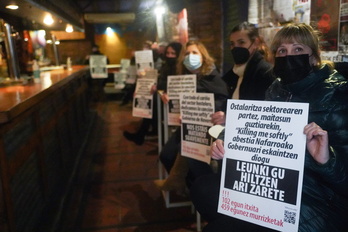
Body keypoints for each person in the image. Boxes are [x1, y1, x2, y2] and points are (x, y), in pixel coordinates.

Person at [191, 23, 348, 232]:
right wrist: (227, 141)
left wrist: (326, 160)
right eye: (282, 51)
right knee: (203, 188)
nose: (288, 56)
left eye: (298, 49)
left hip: (318, 199)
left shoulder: (338, 96)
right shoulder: (276, 88)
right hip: (271, 188)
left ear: (314, 56)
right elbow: (258, 129)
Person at [155, 40, 229, 191]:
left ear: (203, 56)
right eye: (187, 53)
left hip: (207, 128)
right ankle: (184, 187)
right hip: (186, 126)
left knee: (187, 153)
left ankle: (194, 190)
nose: (190, 56)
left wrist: (200, 111)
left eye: (195, 53)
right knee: (166, 155)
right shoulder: (183, 78)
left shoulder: (212, 77)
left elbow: (223, 101)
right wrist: (167, 96)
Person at [211, 22, 274, 126]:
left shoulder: (265, 73)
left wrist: (229, 117)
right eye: (232, 44)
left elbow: (266, 114)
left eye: (241, 42)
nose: (236, 48)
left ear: (255, 43)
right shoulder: (234, 74)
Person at [123, 42, 183, 145]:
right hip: (163, 96)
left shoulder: (180, 67)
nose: (169, 56)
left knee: (153, 104)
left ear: (179, 54)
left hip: (173, 100)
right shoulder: (166, 65)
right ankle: (145, 133)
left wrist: (159, 86)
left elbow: (174, 82)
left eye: (173, 53)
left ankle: (142, 134)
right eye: (168, 53)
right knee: (149, 99)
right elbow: (162, 79)